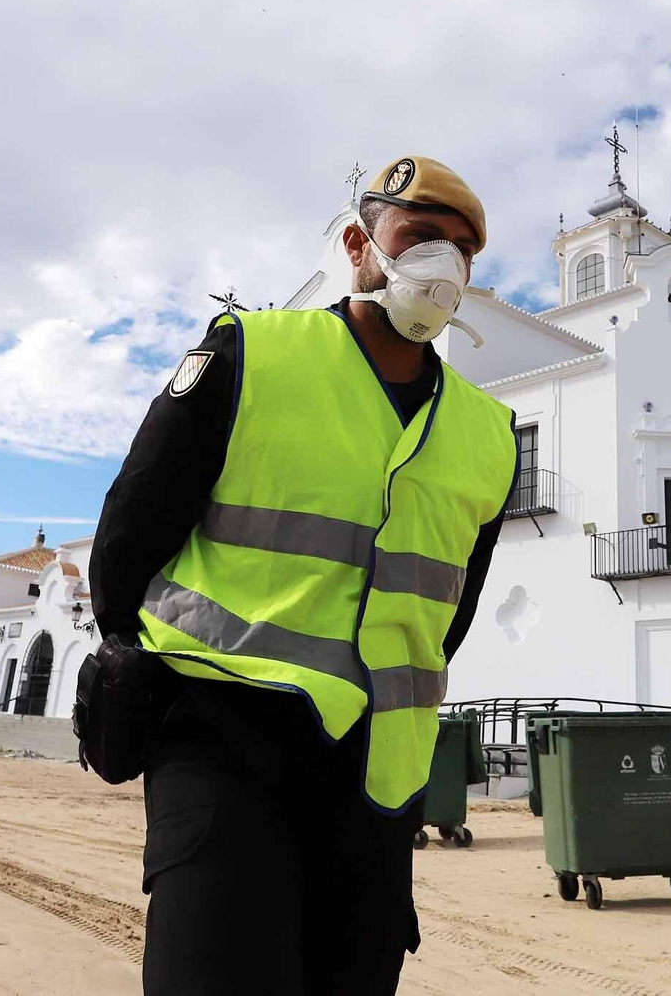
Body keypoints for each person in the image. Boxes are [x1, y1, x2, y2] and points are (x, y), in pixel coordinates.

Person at [86, 156, 518, 995]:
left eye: (464, 252)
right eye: (421, 237)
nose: (444, 266)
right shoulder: (253, 352)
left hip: (377, 775)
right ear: (360, 246)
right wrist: (138, 669)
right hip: (222, 738)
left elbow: (448, 606)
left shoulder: (489, 431)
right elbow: (129, 536)